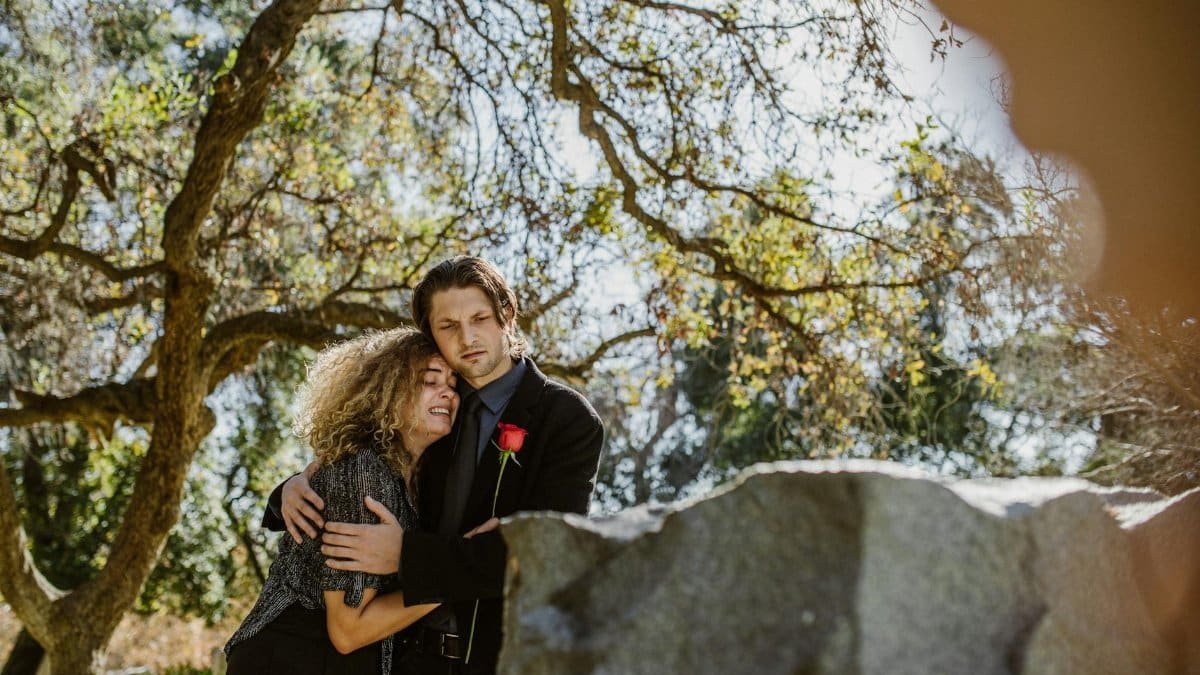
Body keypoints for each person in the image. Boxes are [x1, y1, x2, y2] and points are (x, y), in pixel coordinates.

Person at [267, 256, 605, 674]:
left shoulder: (566, 418)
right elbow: (359, 461)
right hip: (404, 659)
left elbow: (547, 553)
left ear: (507, 315)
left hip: (499, 660)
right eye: (448, 327)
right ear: (431, 334)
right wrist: (291, 488)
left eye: (480, 318)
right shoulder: (429, 405)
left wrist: (406, 555)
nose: (467, 338)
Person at [225, 327, 471, 674]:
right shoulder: (362, 472)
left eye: (452, 384)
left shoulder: (417, 479)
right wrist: (457, 578)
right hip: (289, 658)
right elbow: (348, 630)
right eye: (430, 381)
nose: (447, 393)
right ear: (388, 393)